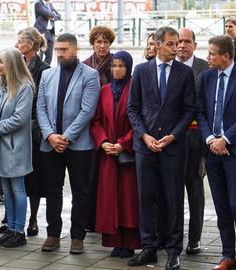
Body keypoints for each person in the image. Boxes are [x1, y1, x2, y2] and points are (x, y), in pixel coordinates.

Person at [127, 26, 196, 270]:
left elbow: (190, 111)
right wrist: (144, 136)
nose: (176, 48)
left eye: (177, 43)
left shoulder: (184, 73)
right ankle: (148, 247)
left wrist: (173, 136)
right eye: (170, 43)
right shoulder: (142, 70)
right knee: (146, 198)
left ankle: (174, 250)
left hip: (173, 148)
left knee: (174, 199)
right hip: (145, 147)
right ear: (157, 44)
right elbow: (132, 108)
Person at [197, 35, 236, 270]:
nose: (208, 57)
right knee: (221, 206)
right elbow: (200, 112)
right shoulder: (207, 76)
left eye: (212, 53)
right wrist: (211, 139)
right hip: (212, 150)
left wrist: (226, 140)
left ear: (226, 56)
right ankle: (227, 256)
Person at [36, 33, 100, 254]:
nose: (60, 54)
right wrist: (50, 135)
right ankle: (53, 234)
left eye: (64, 50)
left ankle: (77, 236)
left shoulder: (90, 75)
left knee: (80, 191)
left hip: (79, 145)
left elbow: (87, 111)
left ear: (75, 50)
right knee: (52, 190)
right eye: (58, 50)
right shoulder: (47, 75)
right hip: (50, 143)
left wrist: (66, 137)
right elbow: (41, 108)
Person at [0, 47, 34, 248]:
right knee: (6, 188)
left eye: (2, 61)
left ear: (12, 63)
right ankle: (10, 228)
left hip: (16, 146)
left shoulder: (24, 87)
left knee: (17, 188)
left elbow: (19, 119)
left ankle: (19, 231)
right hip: (0, 145)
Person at [91, 51, 141, 259]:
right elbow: (96, 120)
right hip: (108, 154)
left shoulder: (135, 89)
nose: (116, 70)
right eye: (114, 66)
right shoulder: (104, 91)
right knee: (110, 199)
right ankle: (115, 242)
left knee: (128, 200)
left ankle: (130, 243)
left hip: (128, 153)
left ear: (128, 68)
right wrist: (103, 142)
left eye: (121, 66)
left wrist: (123, 144)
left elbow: (140, 120)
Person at [176, 27, 209, 255]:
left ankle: (195, 238)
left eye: (187, 41)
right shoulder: (168, 68)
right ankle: (173, 237)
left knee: (194, 189)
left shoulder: (205, 69)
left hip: (196, 140)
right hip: (172, 140)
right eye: (178, 41)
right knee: (172, 191)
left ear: (195, 45)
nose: (181, 45)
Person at [16, 27, 50, 237]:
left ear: (30, 44)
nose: (18, 44)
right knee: (17, 174)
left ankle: (33, 219)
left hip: (34, 128)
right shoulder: (18, 64)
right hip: (18, 126)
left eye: (20, 41)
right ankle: (14, 218)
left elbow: (42, 100)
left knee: (34, 176)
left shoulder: (44, 68)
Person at [83, 25, 116, 233]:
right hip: (89, 123)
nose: (102, 46)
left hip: (110, 123)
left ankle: (108, 218)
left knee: (109, 176)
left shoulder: (116, 63)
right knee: (90, 174)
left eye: (106, 42)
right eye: (99, 42)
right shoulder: (86, 65)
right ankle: (90, 219)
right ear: (93, 43)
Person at [34, 0, 62, 65]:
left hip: (50, 32)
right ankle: (38, 71)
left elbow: (59, 16)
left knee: (49, 56)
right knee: (39, 55)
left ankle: (45, 70)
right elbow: (47, 13)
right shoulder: (38, 3)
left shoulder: (50, 4)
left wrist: (52, 18)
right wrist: (52, 15)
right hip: (40, 32)